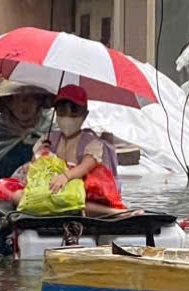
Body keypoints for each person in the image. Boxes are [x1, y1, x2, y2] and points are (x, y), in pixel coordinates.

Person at [41, 84, 133, 217]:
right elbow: (36, 164)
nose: (67, 116)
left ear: (85, 115)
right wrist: (42, 153)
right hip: (51, 187)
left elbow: (86, 165)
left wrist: (66, 177)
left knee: (78, 201)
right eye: (62, 111)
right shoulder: (48, 139)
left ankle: (118, 213)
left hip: (83, 192)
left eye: (74, 111)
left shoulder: (92, 143)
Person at [0, 81, 53, 206]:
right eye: (18, 98)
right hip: (1, 197)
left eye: (30, 99)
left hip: (42, 199)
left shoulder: (51, 129)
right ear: (8, 103)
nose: (24, 104)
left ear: (39, 101)